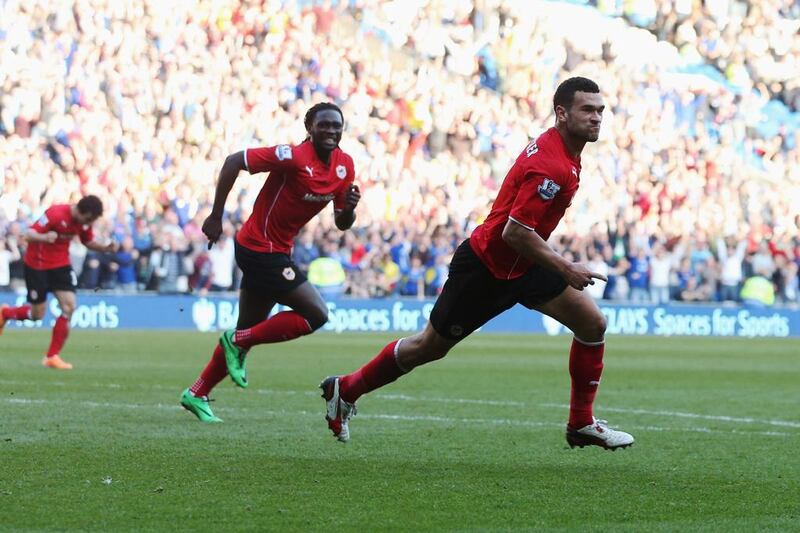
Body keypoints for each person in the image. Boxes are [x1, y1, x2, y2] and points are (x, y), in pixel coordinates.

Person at [320, 78, 634, 450]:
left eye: (600, 110)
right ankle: (346, 388)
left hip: (525, 264)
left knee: (592, 322)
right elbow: (514, 233)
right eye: (588, 110)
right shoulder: (551, 165)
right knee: (428, 347)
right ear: (562, 113)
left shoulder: (566, 153)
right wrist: (566, 267)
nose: (597, 117)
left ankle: (581, 423)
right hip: (486, 267)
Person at [180, 102, 361, 422]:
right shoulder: (292, 156)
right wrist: (217, 214)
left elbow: (341, 223)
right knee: (317, 313)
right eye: (324, 125)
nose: (331, 130)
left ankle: (197, 392)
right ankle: (236, 342)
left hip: (278, 250)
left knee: (249, 329)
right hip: (259, 248)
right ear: (310, 129)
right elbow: (234, 160)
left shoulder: (344, 166)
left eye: (337, 125)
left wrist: (349, 209)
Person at [0, 195, 117, 368]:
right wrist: (44, 237)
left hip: (61, 265)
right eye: (88, 219)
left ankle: (52, 356)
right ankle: (5, 314)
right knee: (37, 314)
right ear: (80, 210)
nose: (88, 222)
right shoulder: (56, 214)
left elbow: (87, 240)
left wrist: (104, 248)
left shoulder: (84, 221)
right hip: (37, 265)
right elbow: (28, 234)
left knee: (69, 307)